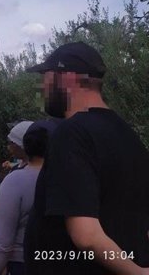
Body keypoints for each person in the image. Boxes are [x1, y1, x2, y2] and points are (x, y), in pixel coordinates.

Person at [24, 41, 149, 274]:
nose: (42, 87)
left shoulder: (72, 133)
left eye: (46, 78)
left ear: (67, 78)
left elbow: (86, 235)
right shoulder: (129, 136)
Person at [0, 120, 56, 275]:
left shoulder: (17, 181)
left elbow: (1, 243)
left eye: (11, 142)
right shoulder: (66, 177)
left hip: (23, 262)